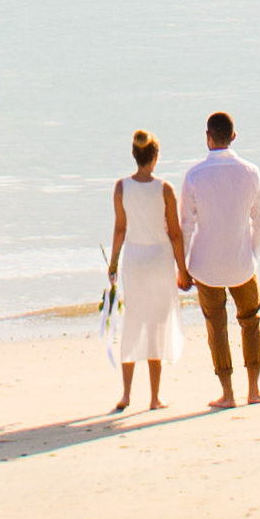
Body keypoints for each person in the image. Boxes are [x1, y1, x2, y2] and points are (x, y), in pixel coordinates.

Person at [176, 108, 260, 406]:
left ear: (207, 137)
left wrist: (183, 268)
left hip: (206, 266)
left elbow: (185, 227)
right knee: (250, 321)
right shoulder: (251, 172)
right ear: (233, 136)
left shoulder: (194, 176)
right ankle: (254, 390)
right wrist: (252, 254)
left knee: (216, 326)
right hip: (242, 264)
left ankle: (228, 394)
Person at [97, 127, 190, 414]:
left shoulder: (121, 187)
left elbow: (120, 229)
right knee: (155, 326)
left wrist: (112, 263)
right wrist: (183, 270)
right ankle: (154, 398)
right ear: (155, 157)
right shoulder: (165, 189)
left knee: (133, 322)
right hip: (160, 259)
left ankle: (125, 394)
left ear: (134, 155)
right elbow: (175, 234)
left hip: (135, 259)